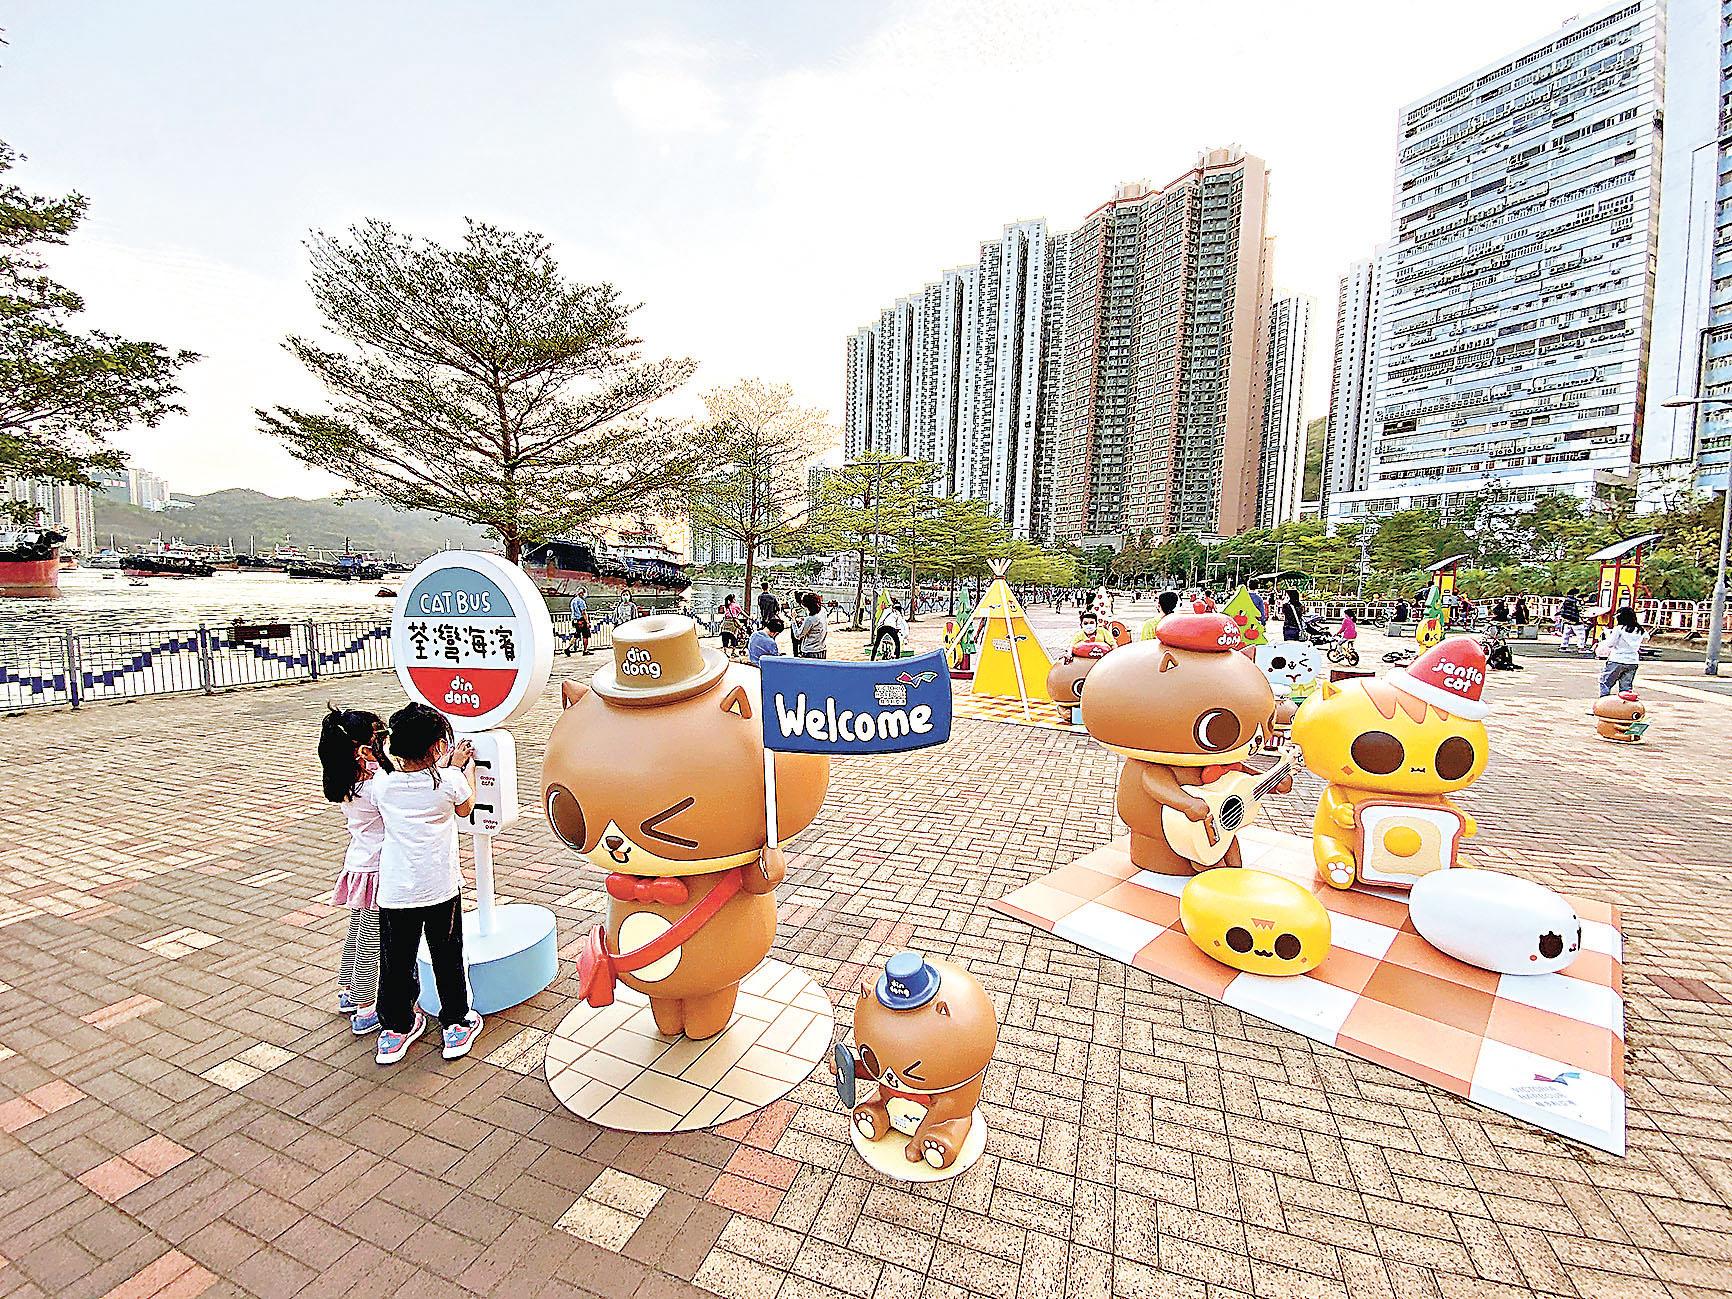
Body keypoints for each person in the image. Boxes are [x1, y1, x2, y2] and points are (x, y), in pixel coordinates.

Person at [372, 703, 482, 1065]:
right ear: (437, 747)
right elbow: (465, 808)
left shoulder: (382, 785)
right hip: (439, 888)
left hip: (394, 891)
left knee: (396, 960)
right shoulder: (449, 782)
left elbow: (411, 781)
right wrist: (464, 770)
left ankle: (396, 1029)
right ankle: (456, 1023)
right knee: (447, 955)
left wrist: (443, 765)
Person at [319, 705, 391, 1035]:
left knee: (358, 933)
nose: (388, 743)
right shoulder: (376, 787)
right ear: (364, 751)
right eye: (383, 738)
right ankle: (365, 1009)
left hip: (360, 866)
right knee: (371, 944)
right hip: (378, 871)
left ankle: (349, 991)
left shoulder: (350, 783)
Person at [1598, 606, 1646, 696]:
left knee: (1605, 683)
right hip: (1632, 661)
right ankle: (1625, 707)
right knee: (1626, 688)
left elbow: (1610, 644)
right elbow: (1646, 638)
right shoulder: (1639, 629)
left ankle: (1604, 705)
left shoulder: (1619, 629)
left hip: (1617, 659)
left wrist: (1608, 634)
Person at [794, 591, 829, 659]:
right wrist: (804, 620)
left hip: (810, 651)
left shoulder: (810, 619)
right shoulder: (823, 611)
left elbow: (798, 635)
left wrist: (793, 621)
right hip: (821, 649)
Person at [566, 587, 591, 656]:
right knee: (585, 635)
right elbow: (583, 612)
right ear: (581, 593)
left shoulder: (573, 600)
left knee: (576, 635)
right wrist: (587, 622)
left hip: (575, 620)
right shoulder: (581, 601)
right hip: (581, 620)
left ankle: (568, 648)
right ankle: (585, 650)